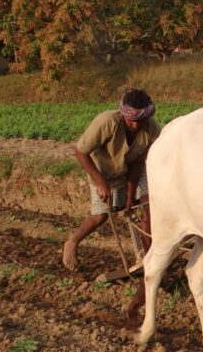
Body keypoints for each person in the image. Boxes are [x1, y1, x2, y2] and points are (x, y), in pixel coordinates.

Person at [62, 88, 160, 271]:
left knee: (149, 205)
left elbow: (139, 162)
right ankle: (73, 242)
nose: (137, 126)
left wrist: (130, 195)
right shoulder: (106, 122)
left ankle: (149, 258)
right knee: (100, 216)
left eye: (141, 121)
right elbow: (80, 151)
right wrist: (100, 182)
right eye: (132, 121)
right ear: (124, 114)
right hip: (104, 174)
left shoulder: (152, 129)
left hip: (132, 170)